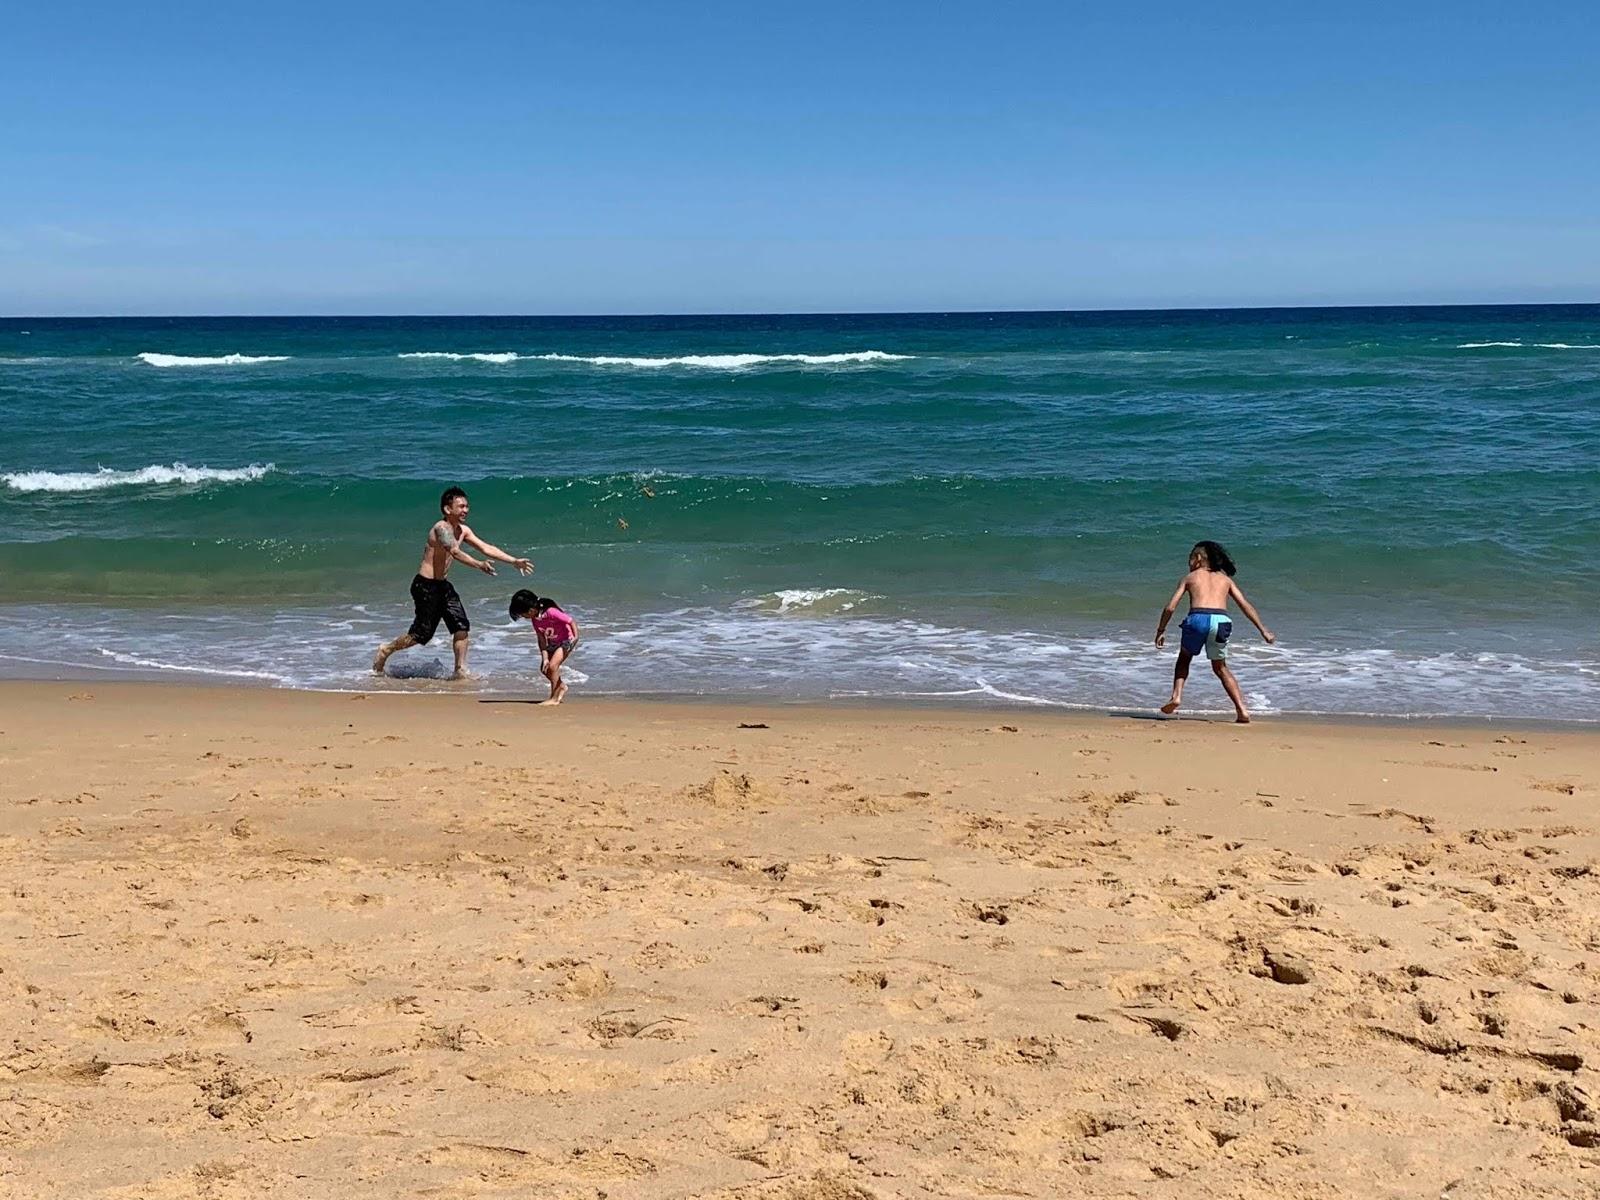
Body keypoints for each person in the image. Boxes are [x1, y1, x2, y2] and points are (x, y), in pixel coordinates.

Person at [373, 486, 532, 680]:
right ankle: (386, 649)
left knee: (461, 626)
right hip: (425, 586)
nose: (466, 510)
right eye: (461, 506)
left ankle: (460, 671)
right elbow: (454, 552)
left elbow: (485, 547)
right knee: (420, 636)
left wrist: (513, 561)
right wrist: (478, 565)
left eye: (467, 506)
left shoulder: (463, 530)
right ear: (448, 509)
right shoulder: (441, 529)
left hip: (443, 586)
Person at [1154, 540, 1275, 723]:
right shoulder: (1225, 580)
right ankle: (1242, 710)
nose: (1189, 564)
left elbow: (1170, 607)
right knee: (1220, 667)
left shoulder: (1190, 578)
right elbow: (1245, 606)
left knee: (1184, 658)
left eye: (1190, 559)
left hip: (1198, 618)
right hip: (1221, 621)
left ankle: (1176, 696)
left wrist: (1161, 630)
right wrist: (1263, 630)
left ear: (1198, 558)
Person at [509, 590, 580, 704]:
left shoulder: (551, 612)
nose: (523, 617)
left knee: (553, 666)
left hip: (566, 640)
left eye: (523, 614)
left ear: (531, 610)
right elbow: (541, 640)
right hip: (553, 643)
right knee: (546, 669)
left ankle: (554, 698)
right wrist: (545, 658)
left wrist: (576, 637)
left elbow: (571, 621)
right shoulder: (535, 620)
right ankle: (561, 686)